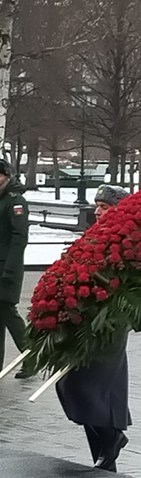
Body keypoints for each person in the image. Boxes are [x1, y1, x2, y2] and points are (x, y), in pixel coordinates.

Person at [56, 184, 131, 473]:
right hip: (83, 320)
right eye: (97, 205)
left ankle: (110, 442)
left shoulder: (130, 241)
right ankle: (105, 452)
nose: (98, 211)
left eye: (105, 206)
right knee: (74, 386)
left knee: (95, 388)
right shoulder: (92, 237)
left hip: (108, 323)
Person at [0, 158, 30, 378]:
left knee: (8, 311)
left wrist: (9, 270)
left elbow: (19, 238)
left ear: (5, 176)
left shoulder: (15, 201)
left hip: (6, 267)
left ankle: (32, 356)